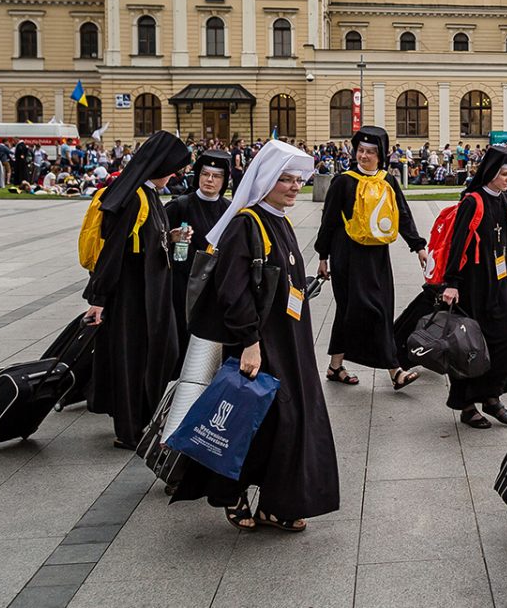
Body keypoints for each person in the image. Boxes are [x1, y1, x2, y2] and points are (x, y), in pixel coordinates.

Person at [175, 140, 340, 532]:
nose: (294, 186)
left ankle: (273, 502)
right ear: (264, 180)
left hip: (289, 342)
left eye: (298, 179)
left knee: (281, 420)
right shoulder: (246, 225)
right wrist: (250, 344)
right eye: (285, 179)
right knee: (263, 420)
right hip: (261, 344)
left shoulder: (277, 220)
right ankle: (230, 492)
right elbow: (232, 292)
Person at [83, 131, 190, 448]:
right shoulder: (133, 198)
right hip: (132, 293)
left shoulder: (150, 195)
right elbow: (113, 250)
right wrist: (98, 299)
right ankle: (128, 431)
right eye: (171, 168)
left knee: (164, 352)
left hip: (153, 292)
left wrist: (172, 239)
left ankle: (144, 416)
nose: (174, 174)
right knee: (132, 359)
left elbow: (146, 241)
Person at [315, 126, 426, 390]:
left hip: (377, 256)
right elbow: (329, 220)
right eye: (360, 151)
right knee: (369, 309)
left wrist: (418, 246)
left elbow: (403, 214)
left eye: (370, 152)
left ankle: (334, 366)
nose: (363, 156)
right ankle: (395, 370)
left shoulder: (388, 181)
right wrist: (322, 256)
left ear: (381, 155)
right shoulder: (343, 181)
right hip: (347, 255)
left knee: (369, 309)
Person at [440, 147, 507, 429]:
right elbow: (458, 243)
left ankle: (491, 396)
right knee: (471, 348)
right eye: (503, 174)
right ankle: (467, 405)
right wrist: (451, 283)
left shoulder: (505, 201)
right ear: (489, 173)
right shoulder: (472, 201)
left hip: (499, 283)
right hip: (474, 284)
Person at [164, 150, 231, 359]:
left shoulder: (230, 210)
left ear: (224, 180)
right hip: (182, 288)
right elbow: (155, 241)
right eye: (205, 174)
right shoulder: (180, 205)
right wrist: (169, 238)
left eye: (216, 176)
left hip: (214, 288)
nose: (209, 180)